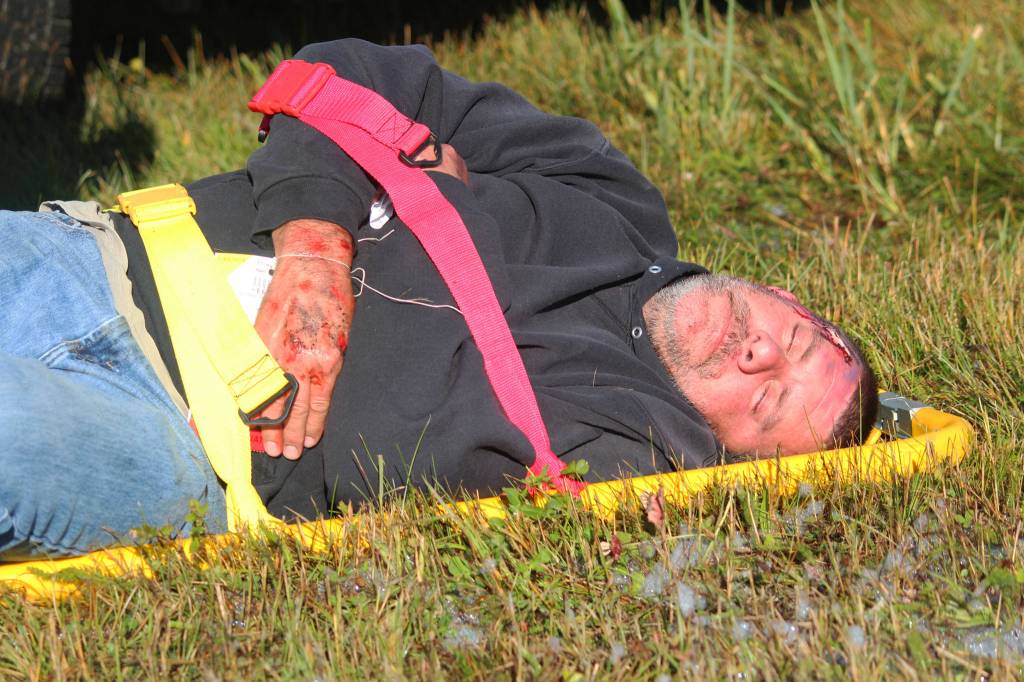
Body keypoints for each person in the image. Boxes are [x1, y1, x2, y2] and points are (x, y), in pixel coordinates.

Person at [0, 39, 876, 560]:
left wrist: (417, 190)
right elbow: (351, 76)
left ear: (726, 457)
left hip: (165, 439)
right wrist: (317, 239)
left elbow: (394, 456)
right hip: (99, 260)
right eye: (794, 345)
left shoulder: (618, 460)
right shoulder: (609, 197)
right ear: (789, 296)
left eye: (763, 405)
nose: (759, 356)